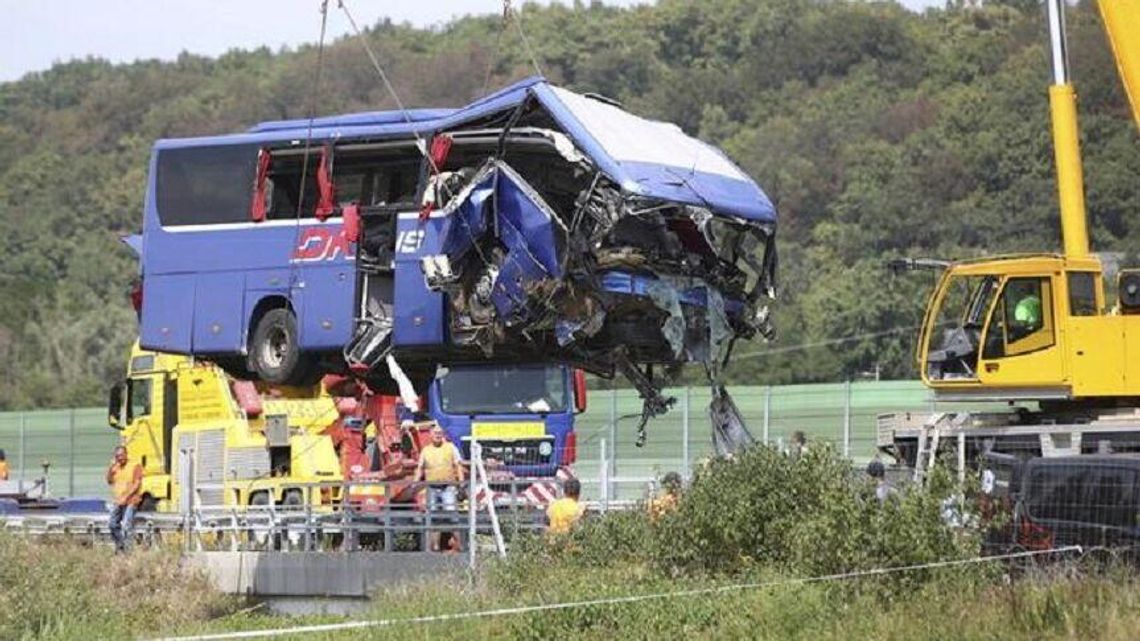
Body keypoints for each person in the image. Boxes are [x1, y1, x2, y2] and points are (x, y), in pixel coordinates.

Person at [415, 424, 464, 552]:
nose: (437, 435)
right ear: (430, 435)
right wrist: (414, 484)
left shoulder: (450, 447)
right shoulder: (426, 450)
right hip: (432, 487)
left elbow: (458, 466)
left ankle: (460, 545)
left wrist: (461, 484)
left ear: (443, 434)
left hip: (448, 486)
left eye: (439, 433)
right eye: (435, 433)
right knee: (434, 516)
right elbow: (420, 468)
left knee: (452, 514)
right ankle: (434, 547)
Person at [106, 445, 143, 552]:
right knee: (112, 524)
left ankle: (128, 551)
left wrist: (126, 497)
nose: (120, 458)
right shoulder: (115, 467)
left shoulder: (135, 466)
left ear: (126, 454)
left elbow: (137, 484)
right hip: (118, 501)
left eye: (122, 455)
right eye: (117, 456)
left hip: (131, 501)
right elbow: (109, 481)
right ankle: (120, 545)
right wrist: (110, 468)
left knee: (127, 526)